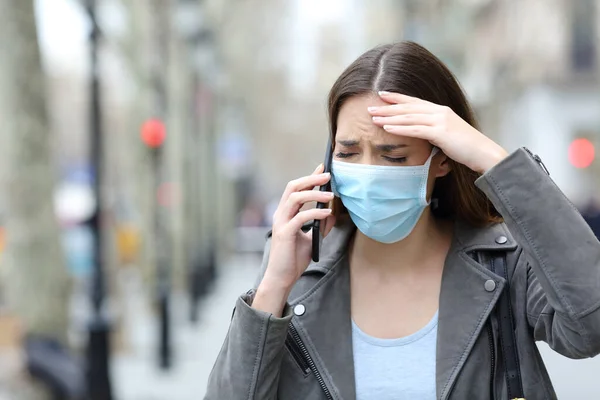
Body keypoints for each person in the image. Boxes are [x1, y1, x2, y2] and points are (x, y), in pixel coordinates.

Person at [205, 41, 600, 400]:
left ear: (442, 158)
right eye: (348, 152)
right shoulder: (300, 277)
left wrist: (495, 161)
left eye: (393, 156)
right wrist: (273, 287)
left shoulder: (504, 263)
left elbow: (589, 325)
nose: (368, 170)